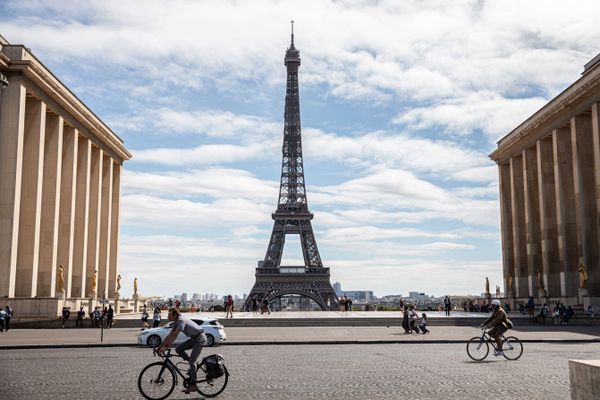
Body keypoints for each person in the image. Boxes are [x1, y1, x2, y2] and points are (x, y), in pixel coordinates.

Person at [157, 308, 207, 394]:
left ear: (175, 316)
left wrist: (166, 347)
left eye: (169, 315)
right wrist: (160, 347)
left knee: (192, 362)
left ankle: (193, 385)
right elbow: (170, 335)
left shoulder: (180, 320)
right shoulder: (176, 322)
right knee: (178, 349)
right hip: (193, 338)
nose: (168, 316)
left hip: (200, 339)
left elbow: (175, 335)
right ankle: (192, 368)